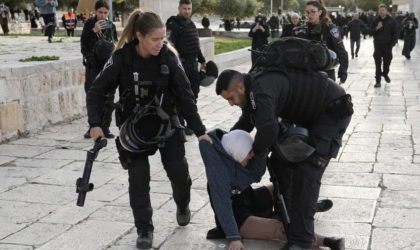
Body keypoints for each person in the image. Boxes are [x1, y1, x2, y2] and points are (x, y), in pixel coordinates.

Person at [86, 9, 211, 249]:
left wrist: (200, 131)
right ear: (139, 36)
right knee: (138, 179)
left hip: (166, 121)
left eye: (162, 38)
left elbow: (186, 98)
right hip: (134, 128)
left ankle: (183, 203)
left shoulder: (169, 59)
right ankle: (144, 229)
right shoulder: (122, 58)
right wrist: (95, 125)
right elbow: (96, 91)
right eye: (155, 39)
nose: (159, 44)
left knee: (178, 171)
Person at [215, 67, 352, 250]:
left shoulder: (261, 91)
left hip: (333, 110)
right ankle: (288, 214)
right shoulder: (252, 92)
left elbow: (269, 130)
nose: (231, 103)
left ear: (240, 87)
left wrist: (254, 152)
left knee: (307, 172)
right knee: (281, 162)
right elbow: (247, 122)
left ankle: (302, 242)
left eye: (230, 98)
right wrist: (224, 143)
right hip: (313, 114)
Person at [200, 129, 345, 250]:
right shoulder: (218, 176)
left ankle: (308, 207)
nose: (251, 155)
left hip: (250, 201)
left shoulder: (231, 159)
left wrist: (263, 148)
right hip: (239, 221)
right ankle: (328, 241)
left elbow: (256, 174)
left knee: (283, 187)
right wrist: (234, 238)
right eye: (249, 152)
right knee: (280, 228)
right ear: (237, 150)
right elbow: (223, 207)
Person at [166, 0, 206, 135]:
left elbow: (195, 45)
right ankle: (180, 124)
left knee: (194, 94)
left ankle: (190, 124)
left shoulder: (191, 24)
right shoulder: (173, 24)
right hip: (181, 65)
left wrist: (202, 61)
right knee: (181, 94)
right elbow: (170, 47)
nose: (187, 11)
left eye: (189, 8)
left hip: (193, 65)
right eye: (184, 8)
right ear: (179, 8)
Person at [81, 0, 118, 139]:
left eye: (105, 13)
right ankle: (93, 127)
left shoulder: (111, 26)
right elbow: (83, 43)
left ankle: (105, 127)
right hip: (93, 66)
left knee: (109, 97)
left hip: (108, 66)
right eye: (100, 12)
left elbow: (115, 43)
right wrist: (93, 32)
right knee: (92, 96)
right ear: (95, 12)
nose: (103, 15)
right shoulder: (89, 24)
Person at [293, 0, 348, 84]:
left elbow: (342, 52)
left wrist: (342, 74)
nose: (310, 15)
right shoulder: (304, 30)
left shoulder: (331, 29)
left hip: (326, 74)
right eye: (307, 12)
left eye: (313, 12)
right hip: (307, 74)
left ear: (320, 12)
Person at [371, 4, 398, 88]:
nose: (382, 12)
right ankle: (378, 81)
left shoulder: (391, 21)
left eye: (383, 10)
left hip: (388, 46)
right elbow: (369, 31)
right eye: (380, 10)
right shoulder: (375, 20)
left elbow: (396, 33)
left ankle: (385, 74)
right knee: (378, 64)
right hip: (378, 46)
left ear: (386, 11)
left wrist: (392, 44)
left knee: (387, 63)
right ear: (378, 11)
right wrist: (376, 28)